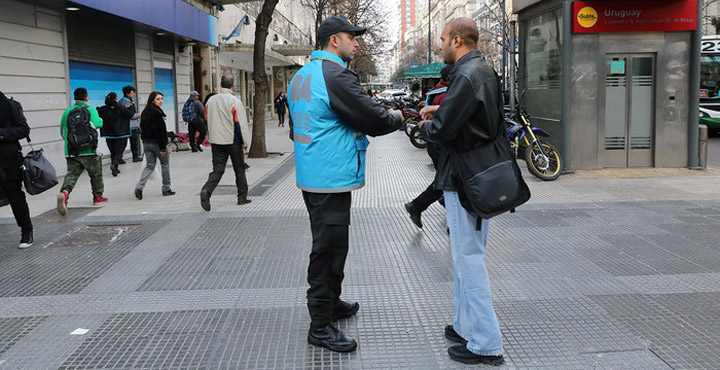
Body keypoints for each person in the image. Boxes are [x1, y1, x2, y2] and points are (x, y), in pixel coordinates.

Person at [288, 15, 403, 353]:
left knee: (333, 246)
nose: (357, 43)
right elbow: (373, 118)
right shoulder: (334, 74)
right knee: (327, 251)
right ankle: (320, 325)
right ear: (334, 40)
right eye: (353, 37)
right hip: (329, 176)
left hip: (315, 175)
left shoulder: (304, 73)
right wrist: (395, 117)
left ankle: (332, 304)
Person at [419, 17, 505, 366]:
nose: (439, 45)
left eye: (442, 39)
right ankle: (464, 325)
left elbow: (441, 131)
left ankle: (486, 343)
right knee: (466, 256)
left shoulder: (467, 76)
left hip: (464, 177)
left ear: (456, 40)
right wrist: (442, 109)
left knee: (467, 260)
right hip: (479, 175)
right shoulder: (480, 71)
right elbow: (477, 115)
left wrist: (428, 123)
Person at [404, 65, 452, 228]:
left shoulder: (437, 90)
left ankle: (423, 205)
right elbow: (451, 113)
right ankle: (418, 205)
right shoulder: (446, 93)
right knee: (447, 180)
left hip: (436, 143)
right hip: (441, 143)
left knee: (446, 180)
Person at [199, 74, 251, 211]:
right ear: (232, 85)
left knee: (218, 169)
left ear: (220, 85)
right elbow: (241, 124)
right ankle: (242, 197)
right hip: (232, 140)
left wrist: (209, 137)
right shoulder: (234, 101)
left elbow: (206, 121)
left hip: (216, 141)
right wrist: (245, 143)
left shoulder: (210, 101)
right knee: (239, 169)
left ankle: (207, 190)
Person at [57, 87, 106, 216]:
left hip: (72, 151)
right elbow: (96, 123)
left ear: (74, 98)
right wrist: (100, 120)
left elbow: (63, 132)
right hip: (89, 150)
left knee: (72, 175)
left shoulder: (67, 112)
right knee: (96, 174)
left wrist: (72, 143)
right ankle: (98, 197)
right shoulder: (91, 110)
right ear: (86, 97)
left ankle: (65, 193)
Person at [0, 91, 33, 248]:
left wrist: (2, 134)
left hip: (9, 161)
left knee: (15, 198)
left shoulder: (10, 106)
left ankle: (27, 231)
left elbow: (24, 129)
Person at [134, 91, 175, 199]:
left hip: (147, 144)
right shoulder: (157, 114)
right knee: (165, 165)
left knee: (149, 166)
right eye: (158, 99)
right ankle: (166, 188)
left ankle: (139, 187)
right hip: (158, 144)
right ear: (152, 100)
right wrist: (162, 147)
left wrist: (144, 141)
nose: (160, 101)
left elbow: (142, 129)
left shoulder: (145, 113)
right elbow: (160, 132)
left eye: (161, 99)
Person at [98, 92, 131, 177]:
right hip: (121, 133)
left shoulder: (103, 109)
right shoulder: (121, 108)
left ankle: (115, 167)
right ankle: (114, 164)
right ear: (116, 99)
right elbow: (130, 114)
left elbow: (97, 111)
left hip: (108, 134)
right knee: (119, 151)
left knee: (113, 151)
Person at [120, 86, 142, 162]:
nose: (133, 95)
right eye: (132, 93)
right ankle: (135, 157)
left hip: (127, 126)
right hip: (130, 126)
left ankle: (119, 158)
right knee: (133, 143)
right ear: (127, 93)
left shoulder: (122, 102)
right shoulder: (125, 103)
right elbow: (130, 115)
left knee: (123, 143)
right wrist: (138, 115)